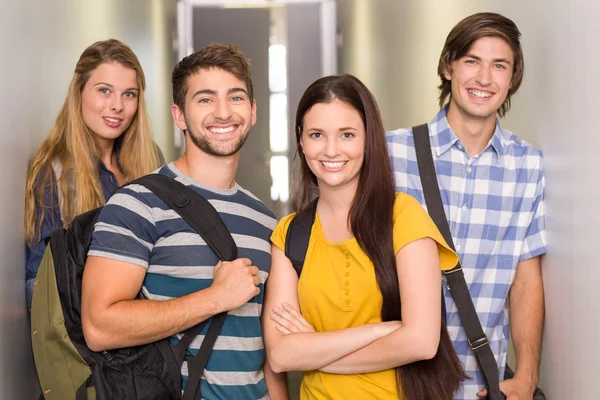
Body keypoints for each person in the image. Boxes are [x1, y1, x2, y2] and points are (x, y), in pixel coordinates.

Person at [81, 43, 284, 400]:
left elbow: (265, 350)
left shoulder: (266, 221)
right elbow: (99, 326)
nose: (223, 113)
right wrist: (215, 297)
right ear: (179, 115)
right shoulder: (137, 203)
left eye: (235, 98)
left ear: (253, 112)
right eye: (205, 100)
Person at [263, 74, 466, 400]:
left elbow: (422, 342)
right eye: (317, 134)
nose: (331, 150)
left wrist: (315, 350)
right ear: (300, 140)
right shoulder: (289, 235)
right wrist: (380, 329)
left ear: (368, 139)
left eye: (347, 134)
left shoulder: (403, 216)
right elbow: (281, 355)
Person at [386, 12, 546, 400]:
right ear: (448, 66)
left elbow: (526, 280)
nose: (484, 78)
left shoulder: (528, 166)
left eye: (499, 65)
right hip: (396, 381)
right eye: (472, 61)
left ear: (512, 79)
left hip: (483, 386)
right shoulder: (393, 153)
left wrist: (526, 376)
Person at [24, 39, 163, 309]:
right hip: (91, 340)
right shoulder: (54, 172)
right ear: (79, 92)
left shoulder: (151, 161)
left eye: (129, 94)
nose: (117, 106)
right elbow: (39, 284)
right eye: (104, 90)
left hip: (153, 327)